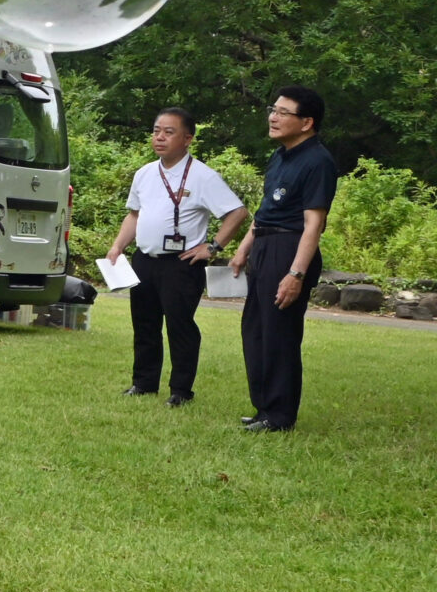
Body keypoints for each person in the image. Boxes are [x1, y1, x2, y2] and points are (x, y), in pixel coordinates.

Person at [108, 106, 248, 407]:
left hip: (182, 264)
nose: (160, 137)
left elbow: (237, 212)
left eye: (168, 132)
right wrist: (118, 245)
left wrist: (212, 247)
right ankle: (143, 383)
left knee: (179, 325)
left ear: (188, 139)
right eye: (157, 131)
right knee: (144, 324)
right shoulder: (145, 173)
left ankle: (181, 390)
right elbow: (134, 213)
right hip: (145, 259)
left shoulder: (203, 176)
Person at [230, 84, 339, 433]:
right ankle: (263, 408)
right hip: (265, 245)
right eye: (272, 110)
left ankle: (279, 416)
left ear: (306, 122)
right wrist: (245, 245)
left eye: (282, 112)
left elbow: (314, 224)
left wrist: (296, 273)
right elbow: (266, 211)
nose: (273, 117)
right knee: (256, 330)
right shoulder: (279, 156)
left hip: (290, 249)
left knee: (279, 333)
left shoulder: (318, 161)